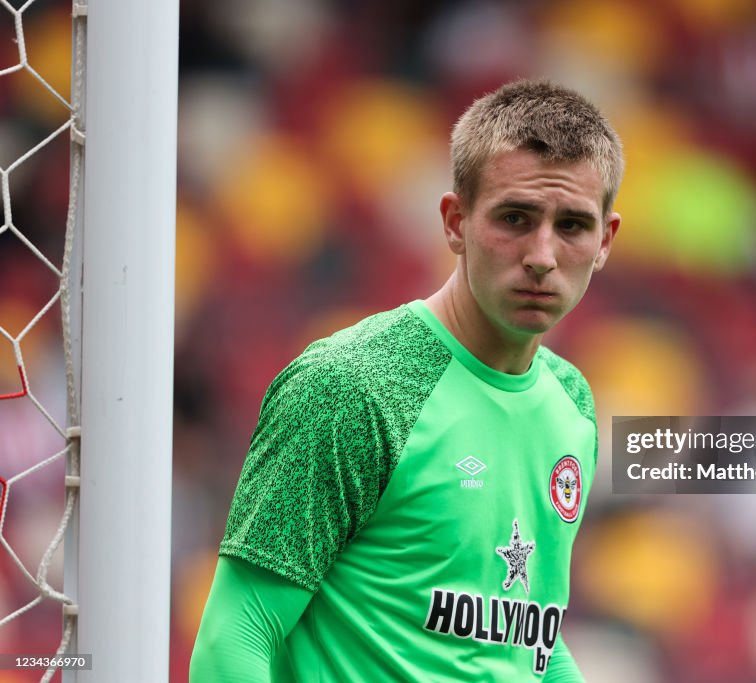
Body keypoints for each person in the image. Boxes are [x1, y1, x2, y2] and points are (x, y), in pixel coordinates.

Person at [190, 79, 623, 682]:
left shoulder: (571, 404)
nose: (542, 255)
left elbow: (527, 642)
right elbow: (235, 639)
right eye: (516, 218)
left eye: (572, 226)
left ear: (605, 241)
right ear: (455, 222)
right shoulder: (352, 387)